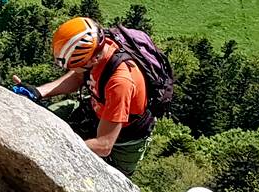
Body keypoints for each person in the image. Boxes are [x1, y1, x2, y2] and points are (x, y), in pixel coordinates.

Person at [12, 16, 167, 176]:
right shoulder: (100, 47)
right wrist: (38, 92)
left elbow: (104, 145)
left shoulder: (120, 83)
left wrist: (57, 147)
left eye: (75, 65)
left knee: (108, 178)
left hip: (123, 140)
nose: (72, 69)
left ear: (93, 59)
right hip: (95, 111)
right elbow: (79, 76)